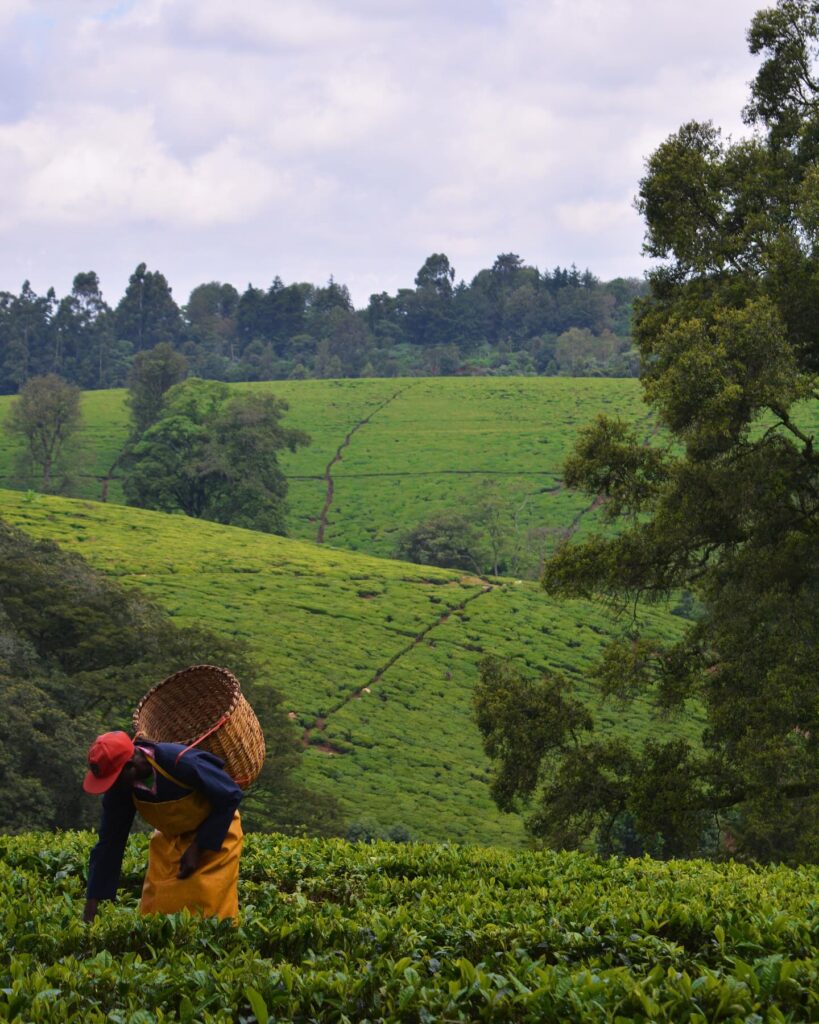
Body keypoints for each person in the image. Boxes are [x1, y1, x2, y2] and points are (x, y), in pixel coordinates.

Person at [82, 730, 244, 923]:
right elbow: (110, 842)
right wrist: (93, 900)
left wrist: (198, 847)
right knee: (156, 911)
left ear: (130, 766)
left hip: (215, 835)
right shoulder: (121, 789)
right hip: (169, 841)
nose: (110, 787)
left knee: (208, 906)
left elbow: (230, 794)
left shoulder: (179, 761)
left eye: (113, 779)